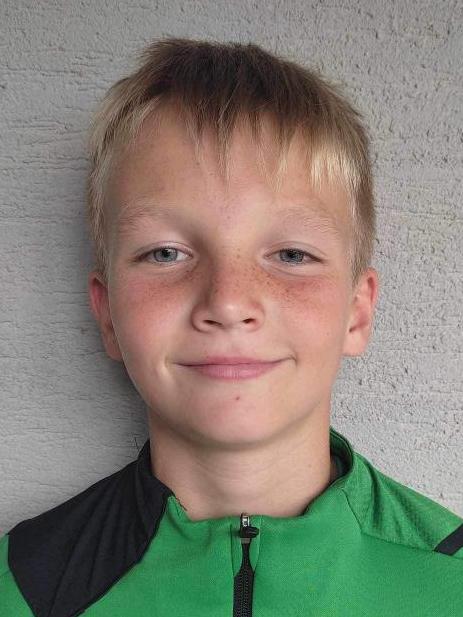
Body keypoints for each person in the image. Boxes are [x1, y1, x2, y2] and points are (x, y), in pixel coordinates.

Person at [1, 37, 462, 617]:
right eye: (166, 253)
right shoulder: (20, 590)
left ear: (357, 311)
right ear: (108, 314)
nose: (227, 301)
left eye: (291, 255)